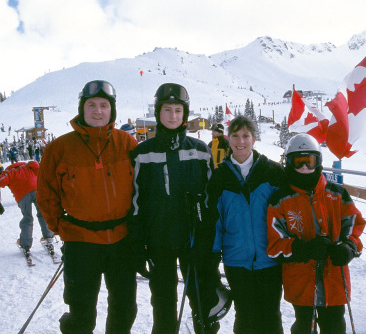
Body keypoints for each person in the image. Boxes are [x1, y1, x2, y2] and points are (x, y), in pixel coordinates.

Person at [36, 80, 138, 334]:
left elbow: (142, 189)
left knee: (125, 309)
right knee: (81, 313)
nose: (98, 111)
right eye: (91, 105)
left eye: (104, 105)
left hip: (121, 241)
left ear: (111, 110)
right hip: (80, 242)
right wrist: (58, 226)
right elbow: (46, 193)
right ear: (82, 108)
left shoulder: (127, 143)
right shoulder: (59, 148)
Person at [130, 82, 225, 334]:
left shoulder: (200, 151)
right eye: (167, 110)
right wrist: (139, 245)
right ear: (158, 113)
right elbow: (135, 203)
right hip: (158, 242)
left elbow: (211, 201)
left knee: (202, 303)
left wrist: (208, 244)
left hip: (193, 241)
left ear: (185, 114)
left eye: (178, 110)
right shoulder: (142, 153)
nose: (173, 116)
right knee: (163, 306)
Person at [266, 133, 366, 334]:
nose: (304, 168)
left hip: (335, 279)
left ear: (318, 162)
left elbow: (354, 225)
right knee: (304, 326)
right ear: (289, 163)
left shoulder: (336, 194)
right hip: (302, 283)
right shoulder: (281, 200)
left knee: (335, 325)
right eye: (298, 162)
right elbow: (275, 245)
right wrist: (304, 249)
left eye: (310, 162)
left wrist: (348, 247)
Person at [207, 115, 285, 334]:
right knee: (245, 315)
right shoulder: (220, 176)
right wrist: (212, 256)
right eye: (235, 136)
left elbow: (287, 213)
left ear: (254, 138)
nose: (240, 141)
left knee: (270, 315)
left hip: (269, 258)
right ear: (228, 138)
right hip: (236, 261)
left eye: (245, 136)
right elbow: (215, 220)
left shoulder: (272, 172)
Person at [0, 161, 54, 252]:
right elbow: (38, 169)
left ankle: (25, 244)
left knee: (27, 218)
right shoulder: (28, 166)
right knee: (43, 213)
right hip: (37, 190)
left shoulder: (9, 171)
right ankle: (48, 237)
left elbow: (1, 181)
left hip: (22, 195)